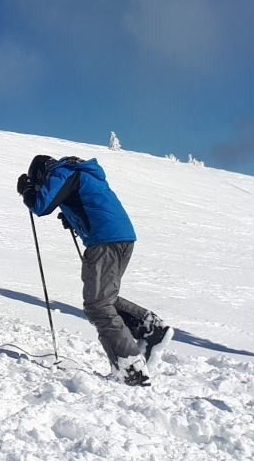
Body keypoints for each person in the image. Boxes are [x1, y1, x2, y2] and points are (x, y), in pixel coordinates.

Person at [18, 154, 172, 386]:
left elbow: (41, 205)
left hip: (104, 241)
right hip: (121, 237)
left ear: (41, 174)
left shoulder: (63, 173)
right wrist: (74, 216)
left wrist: (27, 191)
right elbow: (90, 202)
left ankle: (131, 369)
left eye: (40, 183)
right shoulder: (81, 172)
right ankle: (150, 328)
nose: (43, 187)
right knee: (104, 298)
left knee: (97, 305)